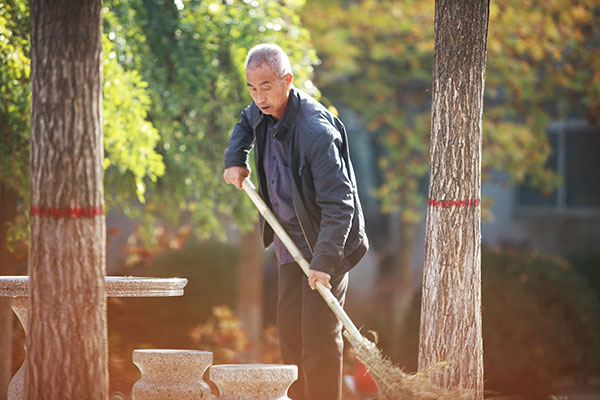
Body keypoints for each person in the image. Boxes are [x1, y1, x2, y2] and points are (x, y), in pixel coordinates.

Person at [223, 43, 368, 400]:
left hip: (325, 244)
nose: (258, 96)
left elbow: (340, 205)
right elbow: (244, 122)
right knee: (290, 333)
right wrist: (235, 157)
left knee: (318, 338)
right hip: (289, 242)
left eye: (266, 86)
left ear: (287, 80)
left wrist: (324, 264)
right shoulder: (261, 109)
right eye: (252, 88)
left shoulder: (315, 132)